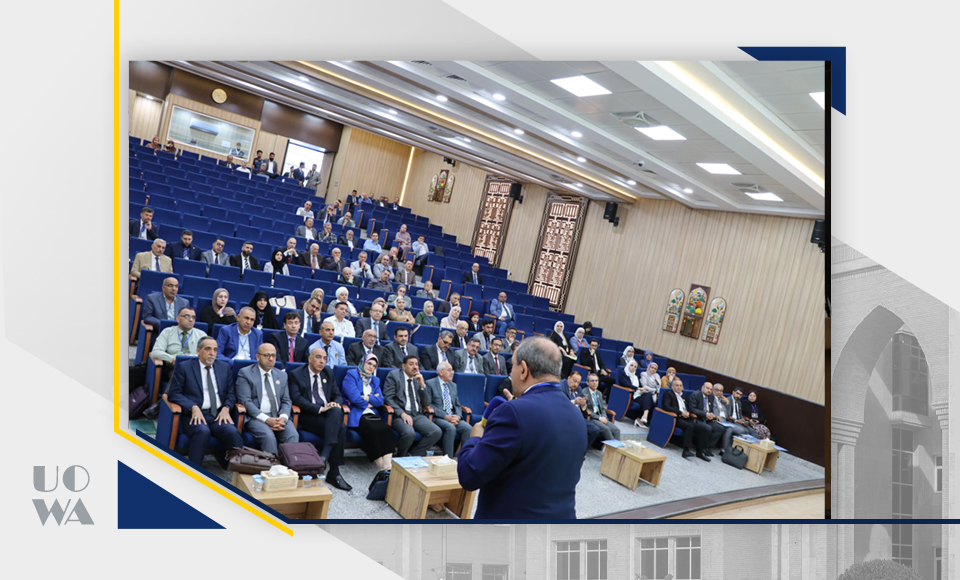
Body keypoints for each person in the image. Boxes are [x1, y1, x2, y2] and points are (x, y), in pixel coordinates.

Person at [457, 337, 586, 519]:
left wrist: (475, 438)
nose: (511, 372)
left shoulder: (513, 413)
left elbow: (469, 475)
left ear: (523, 370)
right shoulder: (576, 415)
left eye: (513, 367)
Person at [165, 336, 243, 468]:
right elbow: (174, 393)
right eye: (208, 349)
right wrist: (193, 407)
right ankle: (194, 470)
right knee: (202, 431)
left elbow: (231, 393)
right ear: (198, 351)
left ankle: (235, 470)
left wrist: (226, 408)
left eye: (215, 350)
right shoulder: (185, 367)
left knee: (232, 432)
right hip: (194, 415)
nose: (212, 353)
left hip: (218, 414)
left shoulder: (224, 368)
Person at [284, 346, 351, 491]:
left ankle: (324, 456)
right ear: (309, 359)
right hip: (309, 416)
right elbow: (296, 398)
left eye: (325, 358)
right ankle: (334, 472)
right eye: (318, 357)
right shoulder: (296, 374)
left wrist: (335, 403)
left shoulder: (328, 373)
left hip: (329, 415)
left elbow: (337, 395)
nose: (322, 361)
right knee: (341, 428)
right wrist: (320, 409)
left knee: (336, 412)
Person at [234, 343, 299, 454]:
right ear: (258, 356)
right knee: (268, 436)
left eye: (273, 355)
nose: (271, 359)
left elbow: (286, 400)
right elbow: (245, 401)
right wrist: (267, 419)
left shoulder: (282, 375)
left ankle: (290, 464)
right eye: (266, 355)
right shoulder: (245, 373)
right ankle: (271, 464)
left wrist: (283, 418)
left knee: (292, 435)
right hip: (256, 417)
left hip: (278, 416)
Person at [340, 353, 394, 472]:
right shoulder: (351, 375)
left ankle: (387, 466)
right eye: (369, 363)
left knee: (386, 430)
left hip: (371, 413)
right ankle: (382, 468)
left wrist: (366, 397)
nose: (371, 367)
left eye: (374, 365)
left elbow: (380, 401)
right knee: (373, 431)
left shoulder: (375, 380)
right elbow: (354, 398)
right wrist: (370, 400)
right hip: (356, 413)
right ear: (362, 363)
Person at [382, 355, 442, 456]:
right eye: (411, 364)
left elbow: (425, 403)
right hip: (400, 415)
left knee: (436, 432)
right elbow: (388, 398)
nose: (415, 367)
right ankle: (400, 457)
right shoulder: (394, 375)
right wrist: (402, 413)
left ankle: (412, 455)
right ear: (404, 366)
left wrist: (422, 385)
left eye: (416, 364)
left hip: (417, 414)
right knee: (409, 433)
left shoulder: (418, 378)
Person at [424, 362, 472, 459]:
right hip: (438, 417)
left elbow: (457, 405)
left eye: (452, 370)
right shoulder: (430, 383)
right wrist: (446, 416)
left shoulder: (453, 385)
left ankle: (464, 458)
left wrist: (457, 416)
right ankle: (448, 459)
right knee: (451, 428)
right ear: (441, 372)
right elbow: (428, 404)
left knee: (468, 428)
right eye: (449, 370)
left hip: (453, 417)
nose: (452, 373)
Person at [660, 378, 711, 461]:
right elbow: (667, 407)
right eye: (677, 386)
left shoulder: (683, 395)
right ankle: (686, 450)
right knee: (689, 426)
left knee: (703, 428)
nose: (679, 387)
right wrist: (680, 413)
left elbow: (687, 407)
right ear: (672, 386)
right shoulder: (669, 394)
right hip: (674, 418)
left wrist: (687, 412)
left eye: (680, 386)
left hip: (684, 418)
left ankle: (700, 452)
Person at [149, 307, 207, 379]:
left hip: (195, 368)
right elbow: (155, 352)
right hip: (174, 368)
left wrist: (184, 358)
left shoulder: (201, 335)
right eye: (187, 316)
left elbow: (205, 355)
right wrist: (172, 358)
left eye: (193, 317)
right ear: (178, 319)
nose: (191, 320)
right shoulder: (167, 332)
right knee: (180, 374)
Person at [561, 370, 601, 452]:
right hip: (565, 416)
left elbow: (583, 409)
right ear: (569, 378)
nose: (576, 384)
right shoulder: (562, 387)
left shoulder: (578, 389)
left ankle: (581, 451)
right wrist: (574, 401)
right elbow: (560, 404)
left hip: (578, 416)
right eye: (574, 381)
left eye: (578, 382)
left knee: (595, 430)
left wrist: (583, 405)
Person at [688, 382, 726, 455]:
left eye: (711, 389)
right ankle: (700, 448)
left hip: (707, 419)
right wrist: (705, 414)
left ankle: (706, 446)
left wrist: (712, 415)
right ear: (702, 387)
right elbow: (692, 409)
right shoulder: (695, 395)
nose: (709, 391)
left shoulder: (711, 396)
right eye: (707, 388)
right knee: (708, 428)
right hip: (697, 419)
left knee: (720, 428)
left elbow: (710, 409)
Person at [712, 383, 750, 454]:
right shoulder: (712, 399)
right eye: (717, 390)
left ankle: (735, 451)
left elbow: (728, 413)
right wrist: (717, 416)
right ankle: (725, 450)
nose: (719, 392)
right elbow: (713, 410)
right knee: (733, 429)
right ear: (713, 390)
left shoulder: (724, 400)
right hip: (718, 419)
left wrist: (727, 403)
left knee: (746, 431)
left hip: (726, 420)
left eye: (721, 391)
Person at [583, 372, 620, 443]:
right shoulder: (584, 392)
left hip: (601, 417)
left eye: (596, 381)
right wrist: (599, 418)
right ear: (588, 383)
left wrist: (604, 417)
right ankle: (613, 447)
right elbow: (586, 409)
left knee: (616, 430)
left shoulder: (599, 393)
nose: (594, 383)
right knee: (606, 429)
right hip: (592, 418)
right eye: (592, 381)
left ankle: (616, 448)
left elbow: (602, 408)